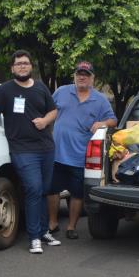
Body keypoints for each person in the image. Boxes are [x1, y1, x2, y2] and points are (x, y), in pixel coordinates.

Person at [0, 50, 60, 254]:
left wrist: (45, 121)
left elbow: (53, 111)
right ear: (12, 68)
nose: (22, 66)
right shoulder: (6, 90)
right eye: (18, 64)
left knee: (44, 190)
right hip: (22, 150)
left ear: (31, 66)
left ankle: (44, 232)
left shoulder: (41, 88)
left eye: (25, 63)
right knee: (33, 189)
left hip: (46, 148)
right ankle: (34, 237)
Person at [46, 61, 117, 239]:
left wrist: (102, 123)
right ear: (75, 76)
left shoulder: (100, 99)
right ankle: (53, 223)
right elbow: (47, 110)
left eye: (86, 74)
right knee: (52, 191)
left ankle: (71, 227)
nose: (82, 77)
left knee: (77, 194)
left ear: (92, 78)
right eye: (79, 73)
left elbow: (113, 120)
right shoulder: (62, 91)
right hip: (57, 154)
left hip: (80, 157)